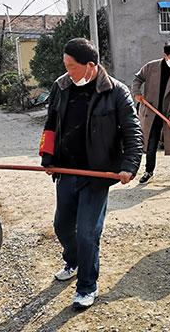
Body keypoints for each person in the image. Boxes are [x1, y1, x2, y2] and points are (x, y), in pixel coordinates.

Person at [39, 38, 143, 310]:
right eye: (65, 66)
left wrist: (129, 165)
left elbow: (132, 132)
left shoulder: (116, 92)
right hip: (66, 170)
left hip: (97, 174)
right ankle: (73, 260)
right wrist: (47, 156)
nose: (67, 72)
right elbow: (51, 125)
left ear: (90, 66)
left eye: (72, 67)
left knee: (87, 232)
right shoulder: (61, 87)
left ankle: (87, 286)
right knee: (62, 225)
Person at [131, 43, 170, 188]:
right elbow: (137, 79)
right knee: (151, 144)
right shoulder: (151, 67)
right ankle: (148, 172)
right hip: (151, 113)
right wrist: (137, 93)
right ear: (165, 56)